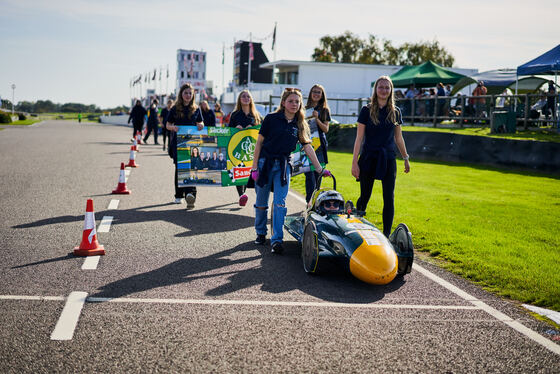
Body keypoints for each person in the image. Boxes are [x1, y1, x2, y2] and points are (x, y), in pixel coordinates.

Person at [251, 88, 331, 253]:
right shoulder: (271, 119)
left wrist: (319, 168)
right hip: (265, 164)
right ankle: (260, 233)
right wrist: (254, 167)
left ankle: (277, 241)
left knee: (280, 203)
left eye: (297, 101)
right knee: (261, 203)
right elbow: (259, 143)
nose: (294, 104)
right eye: (291, 101)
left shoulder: (300, 123)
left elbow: (307, 147)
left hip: (283, 167)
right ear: (283, 103)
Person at [351, 75, 410, 238]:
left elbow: (398, 138)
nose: (384, 90)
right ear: (376, 90)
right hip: (369, 157)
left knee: (388, 197)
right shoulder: (366, 110)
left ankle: (386, 235)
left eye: (387, 87)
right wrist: (354, 162)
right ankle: (357, 227)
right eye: (381, 87)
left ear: (390, 90)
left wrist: (405, 158)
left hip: (388, 159)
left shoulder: (396, 112)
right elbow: (359, 138)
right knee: (365, 195)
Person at [166, 83, 204, 209]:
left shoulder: (196, 108)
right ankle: (178, 195)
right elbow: (167, 124)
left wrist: (201, 125)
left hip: (192, 144)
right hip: (178, 144)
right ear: (181, 94)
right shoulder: (174, 109)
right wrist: (173, 127)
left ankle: (190, 194)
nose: (188, 95)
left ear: (193, 95)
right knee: (180, 168)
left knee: (192, 167)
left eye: (190, 93)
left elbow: (201, 122)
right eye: (185, 93)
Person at [228, 90, 263, 206]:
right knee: (239, 170)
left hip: (253, 148)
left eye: (248, 96)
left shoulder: (256, 115)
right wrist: (235, 128)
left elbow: (263, 129)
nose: (246, 98)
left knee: (252, 170)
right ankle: (242, 194)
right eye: (243, 96)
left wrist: (252, 127)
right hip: (239, 148)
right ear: (239, 99)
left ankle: (259, 196)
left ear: (251, 99)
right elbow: (228, 132)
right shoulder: (235, 115)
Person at [304, 84, 331, 203]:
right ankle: (308, 202)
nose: (316, 94)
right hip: (307, 144)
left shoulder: (324, 110)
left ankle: (315, 202)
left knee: (318, 175)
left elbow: (326, 129)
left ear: (322, 95)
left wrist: (317, 119)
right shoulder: (304, 108)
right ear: (310, 93)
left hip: (320, 146)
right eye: (314, 91)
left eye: (319, 92)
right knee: (309, 176)